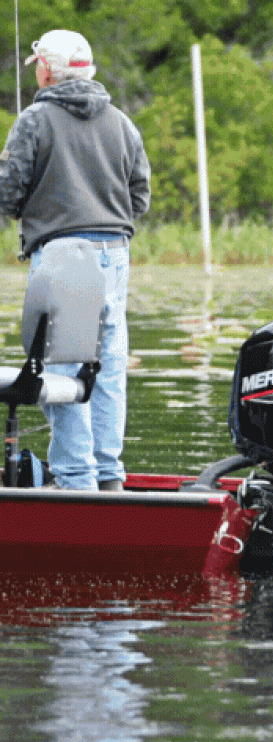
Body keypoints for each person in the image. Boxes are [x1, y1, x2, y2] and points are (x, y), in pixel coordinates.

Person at [0, 29, 151, 491]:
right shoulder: (122, 122)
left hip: (63, 255)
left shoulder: (35, 118)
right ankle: (108, 478)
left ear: (47, 68)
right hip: (114, 253)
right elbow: (139, 196)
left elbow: (8, 191)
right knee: (106, 368)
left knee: (61, 370)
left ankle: (75, 481)